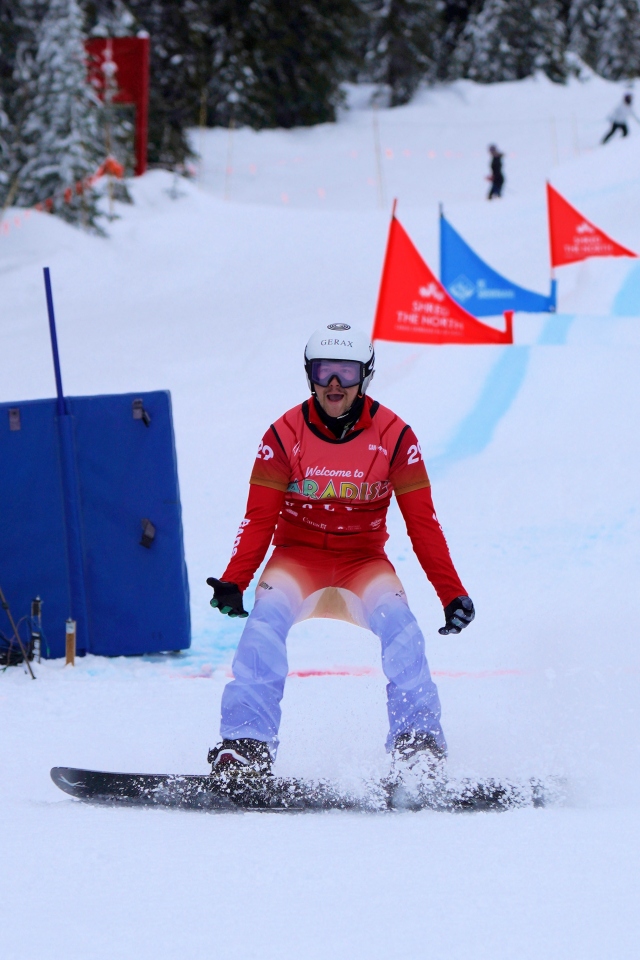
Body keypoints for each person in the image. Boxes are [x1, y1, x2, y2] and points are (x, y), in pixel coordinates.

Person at [206, 325, 475, 779]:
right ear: (309, 376)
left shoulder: (395, 436)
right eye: (323, 372)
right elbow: (258, 518)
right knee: (264, 623)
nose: (334, 385)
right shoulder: (282, 434)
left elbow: (423, 523)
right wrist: (236, 580)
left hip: (362, 564)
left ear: (365, 376)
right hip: (297, 559)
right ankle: (245, 746)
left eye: (346, 373)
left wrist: (451, 593)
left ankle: (418, 747)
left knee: (402, 629)